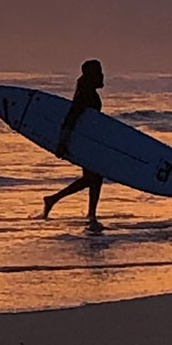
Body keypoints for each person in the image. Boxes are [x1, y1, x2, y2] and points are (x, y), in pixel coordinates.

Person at [34, 59, 109, 233]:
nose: (103, 75)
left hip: (89, 141)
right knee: (94, 178)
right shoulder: (85, 95)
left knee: (94, 178)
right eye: (99, 72)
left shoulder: (88, 92)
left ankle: (88, 213)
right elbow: (71, 118)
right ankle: (59, 201)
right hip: (82, 142)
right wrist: (63, 142)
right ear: (91, 75)